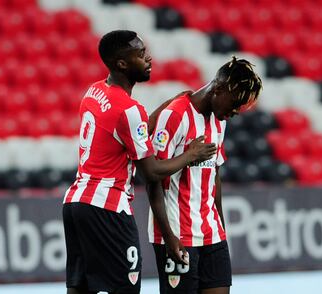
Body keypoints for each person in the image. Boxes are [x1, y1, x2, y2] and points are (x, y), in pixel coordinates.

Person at [62, 30, 217, 294]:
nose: (149, 59)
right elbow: (152, 171)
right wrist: (191, 155)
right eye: (141, 54)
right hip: (108, 206)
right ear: (122, 64)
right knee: (126, 288)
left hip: (76, 203)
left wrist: (166, 107)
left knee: (80, 287)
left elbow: (128, 131)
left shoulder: (95, 91)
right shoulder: (129, 110)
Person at [148, 56, 263, 294]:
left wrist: (220, 229)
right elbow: (152, 176)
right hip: (177, 234)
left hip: (212, 233)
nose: (235, 112)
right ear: (218, 89)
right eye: (234, 104)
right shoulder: (175, 115)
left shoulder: (220, 121)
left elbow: (215, 176)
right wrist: (168, 238)